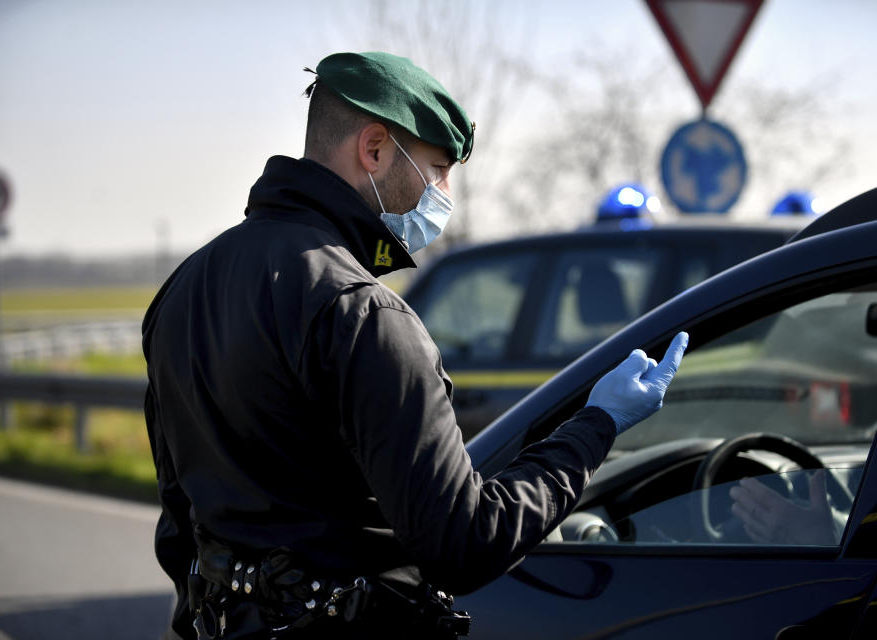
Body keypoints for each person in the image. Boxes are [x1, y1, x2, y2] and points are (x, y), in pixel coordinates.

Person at [142, 51, 689, 639]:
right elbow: (463, 542)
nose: (444, 194)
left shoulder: (182, 290)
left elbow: (179, 527)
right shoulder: (361, 311)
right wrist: (596, 425)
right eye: (437, 167)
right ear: (374, 150)